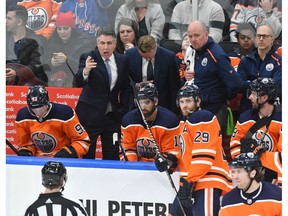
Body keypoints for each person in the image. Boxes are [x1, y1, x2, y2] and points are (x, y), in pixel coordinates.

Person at [168, 84, 232, 215]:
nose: (184, 105)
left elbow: (204, 156)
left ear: (198, 101)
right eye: (181, 101)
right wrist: (169, 160)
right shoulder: (184, 122)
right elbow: (184, 152)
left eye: (188, 101)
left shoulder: (202, 117)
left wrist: (188, 180)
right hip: (191, 180)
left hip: (208, 180)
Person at [74, 27, 130, 160]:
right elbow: (78, 82)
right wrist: (86, 70)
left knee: (112, 155)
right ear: (97, 43)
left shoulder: (122, 60)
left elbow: (125, 87)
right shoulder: (88, 57)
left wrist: (123, 109)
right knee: (88, 155)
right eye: (102, 43)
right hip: (90, 116)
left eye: (109, 43)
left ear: (115, 44)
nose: (105, 47)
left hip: (112, 116)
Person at [185, 20, 241, 137]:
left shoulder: (216, 54)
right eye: (190, 36)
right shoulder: (195, 52)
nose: (193, 39)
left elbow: (235, 83)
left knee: (214, 145)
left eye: (197, 35)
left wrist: (223, 98)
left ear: (206, 34)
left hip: (216, 109)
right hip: (200, 108)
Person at [230, 77, 281, 183]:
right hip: (250, 174)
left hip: (276, 176)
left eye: (253, 94)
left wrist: (258, 154)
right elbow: (235, 145)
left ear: (264, 98)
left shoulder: (282, 120)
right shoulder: (245, 118)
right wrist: (247, 162)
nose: (249, 97)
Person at [15, 85, 90, 158]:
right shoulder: (22, 116)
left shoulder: (64, 113)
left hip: (64, 160)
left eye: (41, 108)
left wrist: (69, 152)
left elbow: (83, 141)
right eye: (34, 109)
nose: (38, 112)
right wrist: (26, 151)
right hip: (37, 160)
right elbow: (24, 144)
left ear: (47, 103)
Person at [120, 82, 181, 172]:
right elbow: (128, 148)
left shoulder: (169, 121)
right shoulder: (129, 120)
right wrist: (133, 168)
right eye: (140, 102)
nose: (143, 106)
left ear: (155, 101)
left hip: (161, 170)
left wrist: (165, 162)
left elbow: (173, 151)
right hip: (139, 167)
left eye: (147, 102)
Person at [125, 35, 180, 113]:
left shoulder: (168, 57)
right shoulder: (130, 55)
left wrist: (174, 112)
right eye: (144, 57)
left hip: (162, 105)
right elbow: (124, 79)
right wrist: (136, 85)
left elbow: (174, 86)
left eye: (150, 57)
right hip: (137, 105)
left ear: (155, 48)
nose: (148, 59)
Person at [237, 24, 282, 113]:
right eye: (258, 36)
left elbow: (277, 88)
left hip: (269, 110)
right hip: (247, 108)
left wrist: (250, 83)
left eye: (264, 36)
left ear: (272, 39)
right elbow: (239, 85)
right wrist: (264, 84)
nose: (261, 39)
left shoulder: (279, 62)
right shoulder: (245, 60)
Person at [42, 11, 92, 87]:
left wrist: (67, 60)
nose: (62, 32)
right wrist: (51, 62)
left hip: (75, 83)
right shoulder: (51, 42)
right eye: (59, 29)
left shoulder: (83, 43)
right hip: (53, 83)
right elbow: (41, 66)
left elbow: (86, 66)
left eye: (65, 28)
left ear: (72, 29)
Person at [6, 5, 48, 86]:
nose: (5, 21)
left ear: (19, 22)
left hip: (26, 84)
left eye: (9, 19)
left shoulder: (35, 42)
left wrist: (17, 73)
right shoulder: (4, 38)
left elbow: (36, 65)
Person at [227, 22, 256, 121]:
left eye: (249, 37)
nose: (246, 40)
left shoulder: (259, 57)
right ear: (237, 38)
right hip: (230, 103)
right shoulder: (228, 57)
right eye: (242, 38)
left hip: (250, 104)